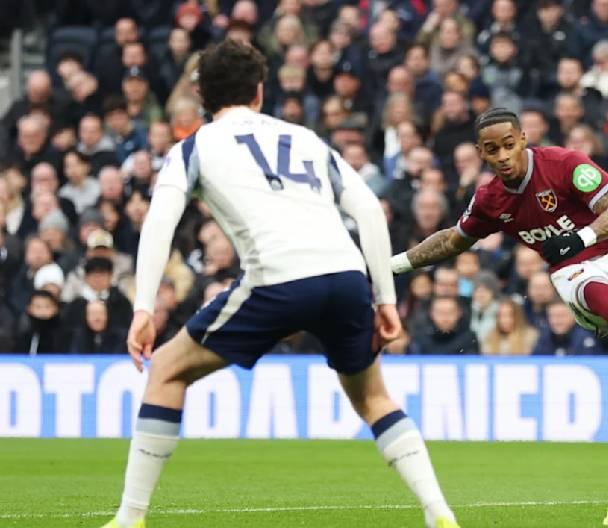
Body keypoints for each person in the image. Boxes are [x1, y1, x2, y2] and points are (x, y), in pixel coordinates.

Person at [99, 40, 458, 528]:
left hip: (279, 279)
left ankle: (128, 518)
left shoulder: (195, 147)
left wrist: (143, 307)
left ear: (201, 94)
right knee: (373, 396)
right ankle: (438, 510)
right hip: (347, 276)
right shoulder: (306, 138)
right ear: (261, 91)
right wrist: (385, 296)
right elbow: (370, 210)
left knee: (164, 370)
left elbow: (159, 224)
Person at [390, 107, 608, 526]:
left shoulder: (565, 164)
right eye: (492, 150)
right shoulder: (490, 199)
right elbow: (452, 242)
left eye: (509, 145)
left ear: (523, 139)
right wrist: (393, 266)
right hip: (574, 269)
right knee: (584, 284)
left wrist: (580, 236)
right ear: (481, 152)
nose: (503, 156)